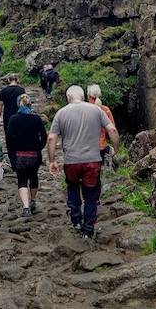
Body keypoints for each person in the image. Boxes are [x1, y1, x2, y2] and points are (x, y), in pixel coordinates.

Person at [47, 85, 119, 239]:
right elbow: (112, 130)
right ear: (83, 96)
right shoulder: (97, 110)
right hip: (92, 160)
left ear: (68, 98)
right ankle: (88, 228)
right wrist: (115, 148)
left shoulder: (61, 112)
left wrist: (52, 160)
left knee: (73, 187)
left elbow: (52, 138)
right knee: (91, 194)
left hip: (71, 161)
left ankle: (76, 220)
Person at [6, 93, 47, 217]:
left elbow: (8, 138)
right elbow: (44, 136)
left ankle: (25, 207)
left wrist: (12, 152)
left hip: (19, 154)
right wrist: (39, 147)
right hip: (34, 153)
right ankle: (33, 200)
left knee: (22, 179)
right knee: (34, 176)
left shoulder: (13, 119)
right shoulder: (36, 118)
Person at [87, 84, 116, 159]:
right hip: (101, 148)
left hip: (85, 148)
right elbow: (112, 129)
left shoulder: (83, 110)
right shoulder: (106, 110)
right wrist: (116, 149)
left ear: (88, 96)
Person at [0, 73, 25, 137]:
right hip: (19, 116)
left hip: (7, 116)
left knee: (8, 136)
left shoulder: (4, 91)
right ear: (17, 80)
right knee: (19, 135)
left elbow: (0, 107)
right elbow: (24, 104)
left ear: (9, 80)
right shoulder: (21, 90)